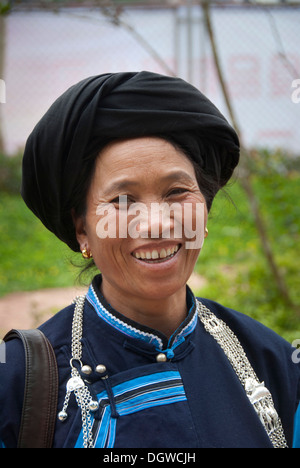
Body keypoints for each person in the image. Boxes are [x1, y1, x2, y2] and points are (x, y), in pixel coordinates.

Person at [0, 71, 299, 449]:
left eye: (177, 191)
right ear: (82, 230)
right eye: (123, 200)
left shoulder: (275, 363)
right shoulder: (18, 383)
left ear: (204, 210)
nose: (157, 224)